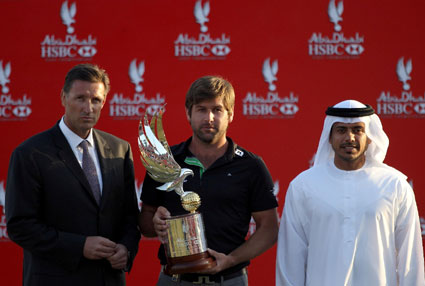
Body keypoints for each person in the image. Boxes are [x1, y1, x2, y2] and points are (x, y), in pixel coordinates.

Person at [5, 63, 141, 286]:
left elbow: (129, 217)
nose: (88, 107)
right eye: (80, 98)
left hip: (109, 279)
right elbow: (20, 226)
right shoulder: (29, 154)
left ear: (104, 102)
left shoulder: (120, 150)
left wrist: (126, 249)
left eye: (96, 100)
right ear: (63, 98)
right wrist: (79, 246)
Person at [139, 75, 279, 285]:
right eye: (201, 109)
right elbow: (145, 224)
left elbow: (269, 228)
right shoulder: (165, 161)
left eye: (217, 110)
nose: (209, 118)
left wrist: (231, 259)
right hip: (174, 278)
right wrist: (155, 223)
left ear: (230, 114)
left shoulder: (251, 166)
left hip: (230, 278)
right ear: (188, 113)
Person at [276, 99, 425, 286]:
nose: (350, 138)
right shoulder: (303, 186)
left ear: (369, 136)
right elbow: (290, 261)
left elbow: (410, 259)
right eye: (341, 130)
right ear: (329, 137)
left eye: (357, 130)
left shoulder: (394, 185)